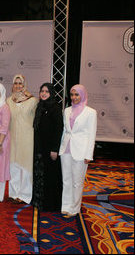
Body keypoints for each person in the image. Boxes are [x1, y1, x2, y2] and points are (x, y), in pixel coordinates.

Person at [59, 84, 97, 217]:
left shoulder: (90, 112)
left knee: (77, 181)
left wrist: (89, 154)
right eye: (72, 95)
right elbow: (65, 130)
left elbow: (91, 135)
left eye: (77, 94)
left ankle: (74, 209)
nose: (74, 97)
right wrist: (61, 148)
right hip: (66, 149)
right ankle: (65, 206)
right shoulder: (67, 110)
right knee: (66, 180)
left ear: (82, 95)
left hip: (81, 151)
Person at [31, 83, 63, 211]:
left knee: (50, 177)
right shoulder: (39, 107)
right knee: (40, 175)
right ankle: (39, 201)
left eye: (47, 91)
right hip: (39, 148)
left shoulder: (55, 108)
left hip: (50, 150)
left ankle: (50, 204)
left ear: (51, 93)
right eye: (42, 91)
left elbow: (58, 130)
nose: (43, 94)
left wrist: (55, 149)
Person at [6, 74, 38, 204]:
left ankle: (25, 195)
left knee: (25, 167)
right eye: (16, 83)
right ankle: (13, 193)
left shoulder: (32, 100)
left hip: (27, 138)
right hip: (13, 136)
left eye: (20, 83)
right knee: (13, 165)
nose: (18, 86)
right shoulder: (8, 101)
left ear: (24, 85)